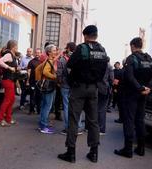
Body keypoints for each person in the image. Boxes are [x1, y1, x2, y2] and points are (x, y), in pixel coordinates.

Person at [58, 25, 109, 163]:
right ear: (96, 36)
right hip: (94, 89)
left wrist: (72, 81)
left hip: (79, 88)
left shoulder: (81, 48)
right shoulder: (102, 50)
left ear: (85, 36)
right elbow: (104, 69)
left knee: (74, 119)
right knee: (93, 121)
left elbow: (69, 67)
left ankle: (71, 153)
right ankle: (94, 153)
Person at [114, 37, 152, 158]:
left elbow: (129, 77)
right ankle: (141, 148)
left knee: (129, 120)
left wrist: (140, 89)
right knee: (140, 120)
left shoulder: (131, 58)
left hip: (132, 94)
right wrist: (147, 88)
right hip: (143, 94)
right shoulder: (148, 58)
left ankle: (128, 150)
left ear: (132, 46)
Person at [57, 42, 83, 135]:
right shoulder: (79, 58)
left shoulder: (62, 60)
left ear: (68, 48)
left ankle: (68, 128)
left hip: (65, 84)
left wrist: (59, 82)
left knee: (67, 106)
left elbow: (59, 73)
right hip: (76, 85)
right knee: (77, 106)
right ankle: (79, 127)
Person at [0, 40, 20, 126]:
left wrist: (16, 68)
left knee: (11, 100)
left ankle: (8, 118)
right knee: (7, 100)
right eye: (16, 46)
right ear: (13, 47)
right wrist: (9, 67)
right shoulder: (9, 54)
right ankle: (0, 119)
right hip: (7, 80)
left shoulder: (12, 55)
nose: (17, 48)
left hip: (11, 80)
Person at [38, 44, 57, 134]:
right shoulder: (49, 60)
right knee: (47, 106)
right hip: (49, 86)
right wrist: (54, 76)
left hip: (45, 86)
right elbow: (45, 72)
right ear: (49, 52)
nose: (55, 52)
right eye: (54, 50)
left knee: (44, 106)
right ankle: (43, 126)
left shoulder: (48, 60)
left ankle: (41, 125)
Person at [97, 63, 114, 135]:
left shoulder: (97, 64)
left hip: (96, 88)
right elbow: (111, 79)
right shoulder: (109, 66)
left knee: (94, 108)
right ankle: (101, 129)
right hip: (104, 89)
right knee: (102, 110)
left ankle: (91, 127)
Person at [27, 48, 42, 115]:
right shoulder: (31, 62)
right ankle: (31, 110)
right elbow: (29, 72)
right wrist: (27, 81)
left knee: (39, 96)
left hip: (40, 82)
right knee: (32, 96)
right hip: (32, 81)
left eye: (39, 53)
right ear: (34, 53)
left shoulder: (42, 62)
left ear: (41, 53)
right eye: (36, 52)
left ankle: (39, 110)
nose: (37, 54)